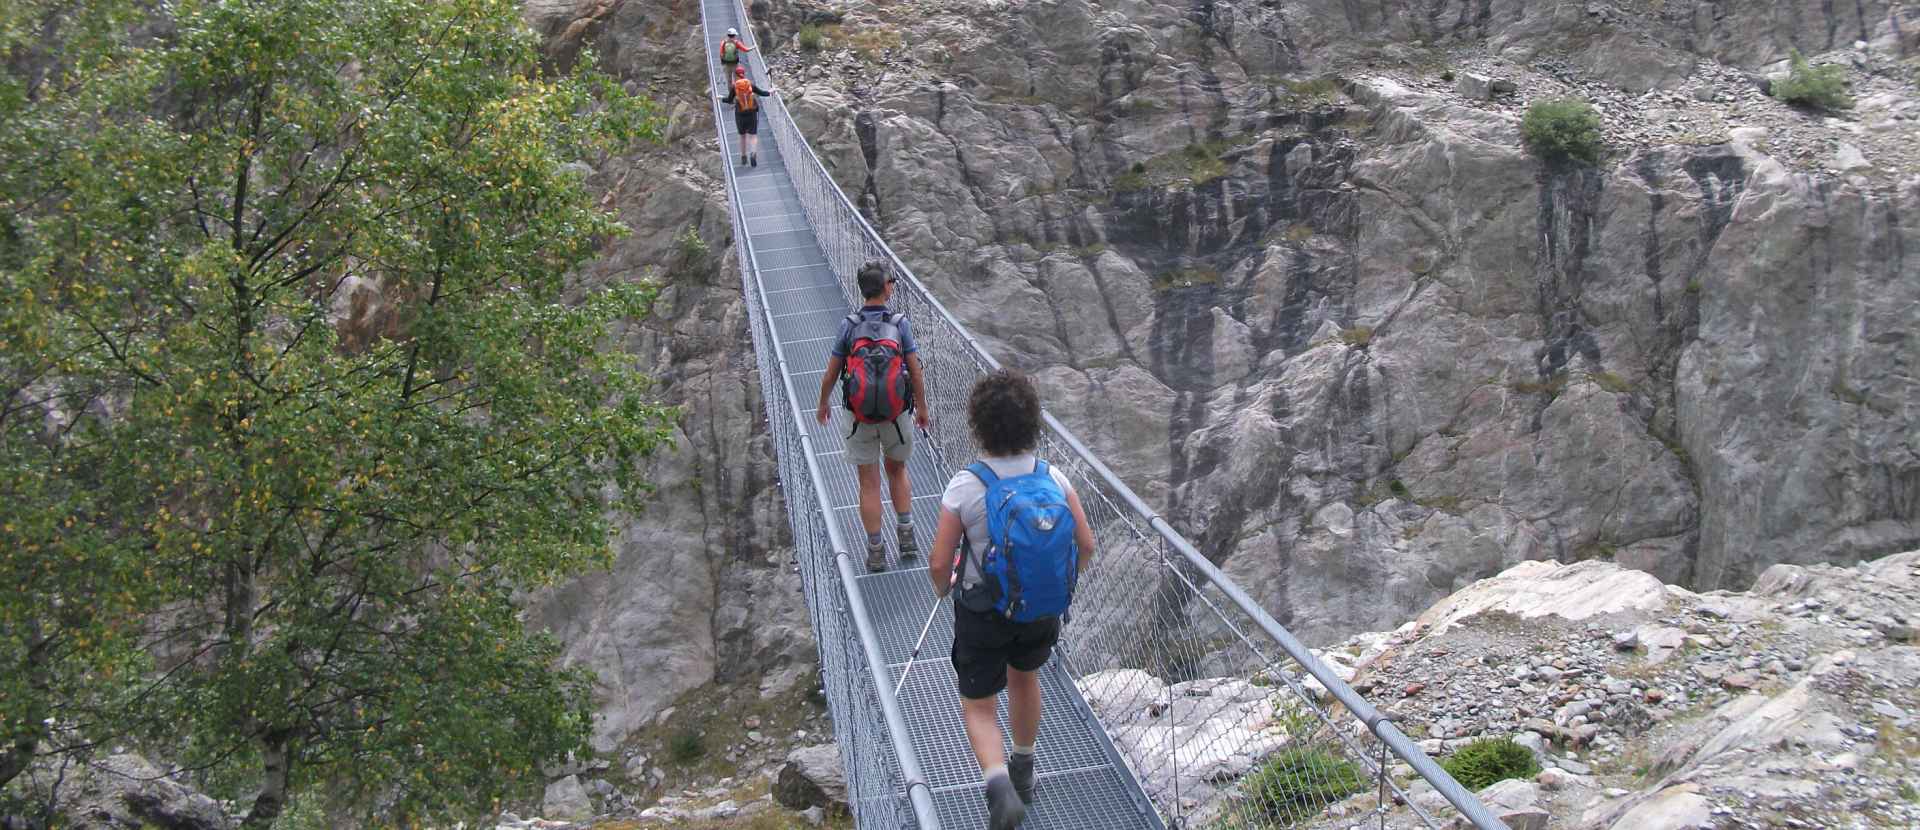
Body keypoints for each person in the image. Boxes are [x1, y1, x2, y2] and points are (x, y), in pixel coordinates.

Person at [928, 370, 1095, 830]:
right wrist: (1061, 585)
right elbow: (1087, 544)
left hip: (983, 611)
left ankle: (999, 787)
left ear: (978, 425)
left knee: (979, 704)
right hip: (1040, 607)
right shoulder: (1053, 476)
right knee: (1025, 678)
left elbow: (941, 562)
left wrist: (944, 590)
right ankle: (1024, 770)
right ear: (1033, 425)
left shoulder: (966, 485)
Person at [814, 260, 929, 572]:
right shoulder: (900, 324)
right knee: (897, 470)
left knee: (868, 482)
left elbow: (830, 375)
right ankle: (906, 536)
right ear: (887, 288)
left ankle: (876, 551)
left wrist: (824, 404)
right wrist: (922, 407)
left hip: (859, 417)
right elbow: (915, 373)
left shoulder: (849, 325)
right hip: (896, 414)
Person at [717, 65, 773, 167]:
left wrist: (721, 98)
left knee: (742, 136)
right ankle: (753, 153)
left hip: (740, 114)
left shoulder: (735, 87)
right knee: (753, 136)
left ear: (736, 75)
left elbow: (729, 99)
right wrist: (770, 92)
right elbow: (762, 93)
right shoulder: (750, 84)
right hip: (751, 113)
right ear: (744, 74)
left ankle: (743, 156)